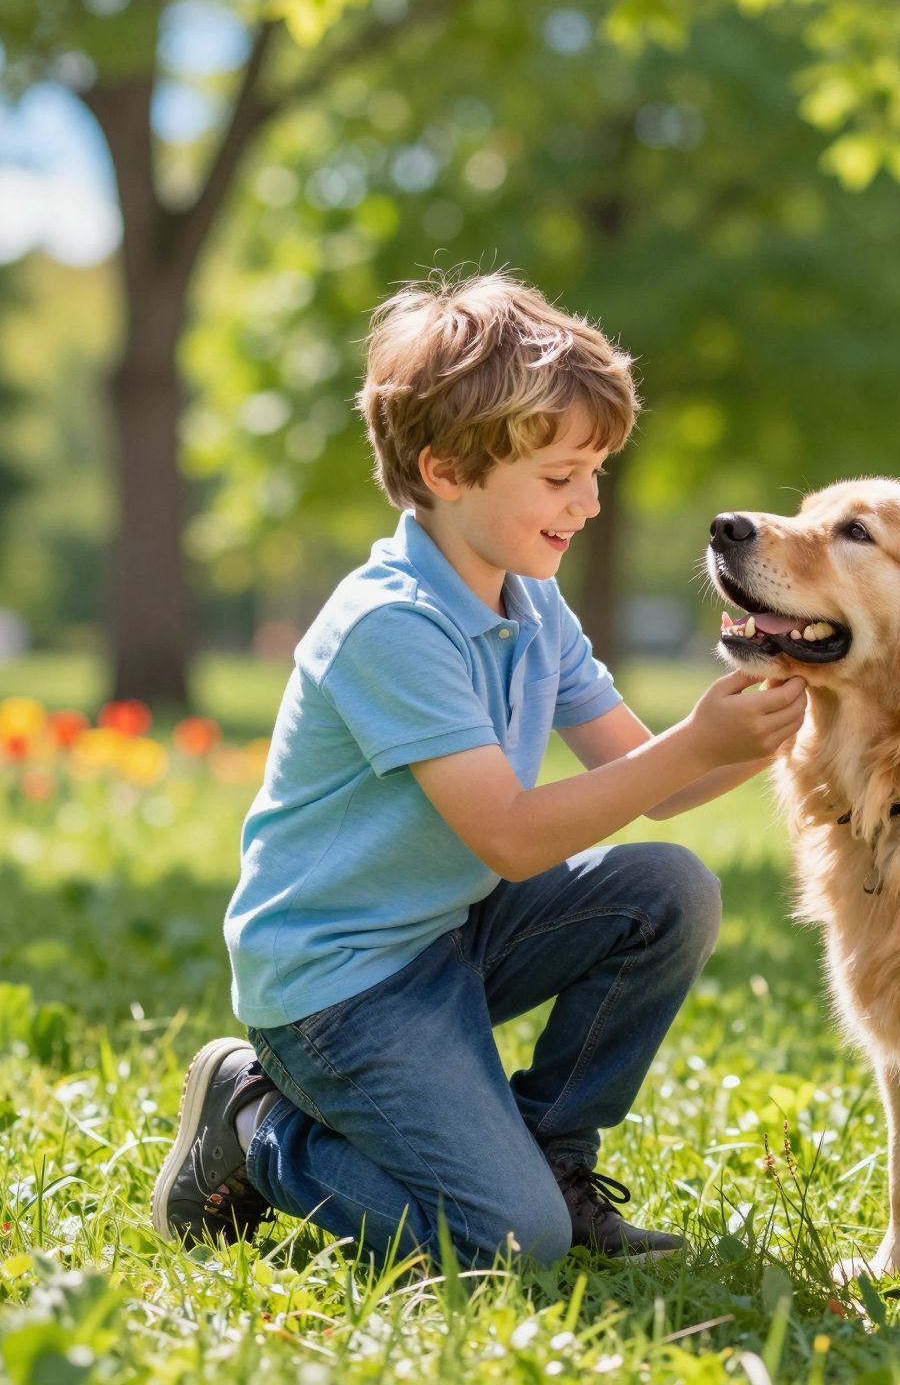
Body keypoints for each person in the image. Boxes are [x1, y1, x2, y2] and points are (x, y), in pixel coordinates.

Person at [150, 272, 806, 1267]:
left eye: (596, 471)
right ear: (447, 469)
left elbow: (658, 784)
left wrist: (788, 718)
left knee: (667, 890)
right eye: (559, 477)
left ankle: (551, 1158)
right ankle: (257, 1129)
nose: (588, 502)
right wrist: (697, 742)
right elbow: (506, 832)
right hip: (339, 987)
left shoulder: (529, 603)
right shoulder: (389, 626)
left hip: (450, 937)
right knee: (506, 1247)